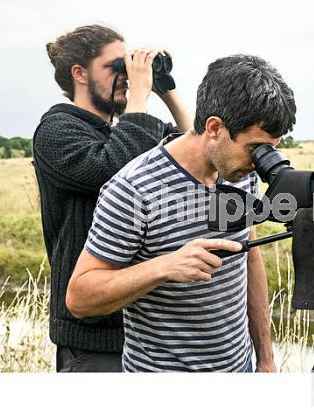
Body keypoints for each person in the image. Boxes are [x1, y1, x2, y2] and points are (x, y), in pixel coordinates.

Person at [65, 54, 296, 372]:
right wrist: (164, 266)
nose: (260, 161)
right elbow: (79, 298)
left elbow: (249, 260)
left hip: (239, 370)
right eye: (254, 148)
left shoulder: (241, 173)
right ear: (215, 128)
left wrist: (265, 359)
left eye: (269, 149)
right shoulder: (135, 189)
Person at [32, 24, 193, 372]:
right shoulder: (56, 130)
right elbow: (117, 170)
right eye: (115, 67)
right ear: (79, 73)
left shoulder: (125, 130)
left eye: (128, 66)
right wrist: (138, 95)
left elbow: (192, 145)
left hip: (146, 331)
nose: (126, 76)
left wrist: (165, 89)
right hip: (93, 337)